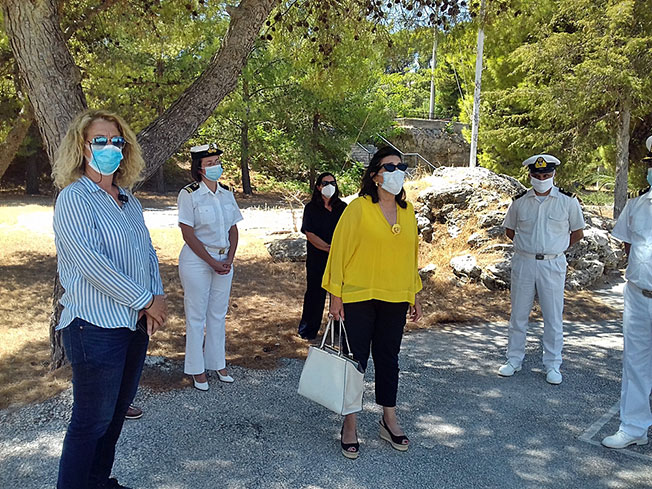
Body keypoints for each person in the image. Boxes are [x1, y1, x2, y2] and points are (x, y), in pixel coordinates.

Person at [52, 109, 167, 489]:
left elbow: (145, 251)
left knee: (115, 415)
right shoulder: (74, 198)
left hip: (132, 325)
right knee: (91, 421)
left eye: (117, 141)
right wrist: (144, 299)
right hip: (94, 327)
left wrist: (157, 295)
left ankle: (97, 481)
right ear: (82, 147)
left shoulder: (128, 199)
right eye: (99, 141)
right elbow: (91, 264)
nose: (109, 148)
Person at [323, 146, 422, 459]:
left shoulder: (408, 211)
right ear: (375, 175)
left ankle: (388, 419)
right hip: (358, 295)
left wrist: (414, 293)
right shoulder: (358, 208)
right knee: (356, 361)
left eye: (401, 167)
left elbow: (411, 256)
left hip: (395, 296)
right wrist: (335, 297)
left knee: (389, 358)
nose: (397, 172)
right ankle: (350, 423)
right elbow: (339, 252)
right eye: (390, 167)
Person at [498, 154, 584, 385]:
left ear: (554, 174)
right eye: (537, 175)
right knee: (518, 314)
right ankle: (514, 360)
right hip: (524, 261)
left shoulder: (568, 201)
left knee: (553, 316)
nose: (542, 179)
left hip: (552, 263)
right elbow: (510, 230)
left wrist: (558, 247)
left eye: (546, 175)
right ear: (530, 176)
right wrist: (527, 246)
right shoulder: (519, 202)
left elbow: (577, 232)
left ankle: (553, 364)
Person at [177, 143, 243, 391]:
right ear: (199, 168)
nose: (216, 166)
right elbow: (187, 233)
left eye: (217, 162)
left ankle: (217, 363)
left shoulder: (226, 192)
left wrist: (229, 259)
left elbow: (233, 229)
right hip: (197, 260)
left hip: (223, 259)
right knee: (196, 316)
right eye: (210, 163)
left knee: (217, 314)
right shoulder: (189, 194)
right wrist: (211, 261)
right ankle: (196, 369)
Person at [602, 135, 652, 449]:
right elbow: (628, 245)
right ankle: (634, 427)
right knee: (635, 363)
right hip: (638, 295)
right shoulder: (636, 205)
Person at [297, 172, 347, 340]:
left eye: (332, 183)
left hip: (340, 259)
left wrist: (338, 251)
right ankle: (308, 330)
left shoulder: (343, 208)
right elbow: (309, 233)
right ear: (318, 187)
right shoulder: (311, 208)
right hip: (317, 257)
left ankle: (340, 329)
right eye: (325, 183)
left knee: (340, 293)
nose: (329, 186)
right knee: (315, 293)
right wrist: (328, 248)